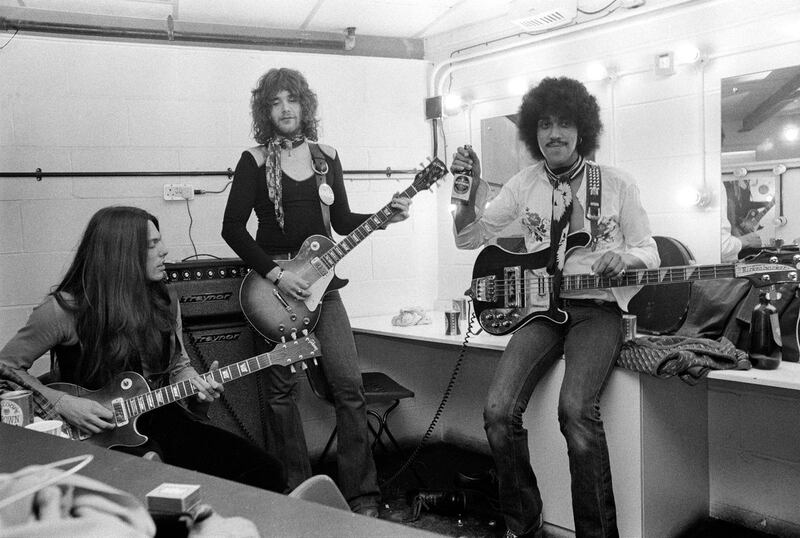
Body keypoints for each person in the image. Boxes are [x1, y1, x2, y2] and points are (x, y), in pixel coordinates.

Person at [450, 77, 660, 538]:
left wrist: (622, 257)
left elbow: (650, 251)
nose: (554, 134)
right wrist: (464, 194)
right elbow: (469, 237)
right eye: (545, 125)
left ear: (582, 130)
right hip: (540, 312)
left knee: (575, 412)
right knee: (498, 411)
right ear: (534, 133)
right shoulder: (523, 184)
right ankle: (523, 526)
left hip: (597, 311)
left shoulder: (618, 184)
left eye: (564, 124)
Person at [221, 67, 411, 517]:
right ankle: (296, 496)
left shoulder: (326, 157)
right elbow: (231, 228)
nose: (285, 108)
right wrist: (275, 274)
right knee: (280, 394)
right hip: (275, 290)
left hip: (324, 290)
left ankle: (362, 496)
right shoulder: (253, 159)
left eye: (292, 99)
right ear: (265, 111)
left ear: (305, 105)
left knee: (349, 387)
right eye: (275, 102)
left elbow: (342, 221)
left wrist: (387, 214)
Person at [0, 206, 287, 493]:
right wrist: (62, 404)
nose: (164, 251)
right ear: (121, 253)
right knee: (156, 479)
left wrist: (194, 384)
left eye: (160, 241)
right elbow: (6, 367)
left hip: (162, 418)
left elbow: (178, 365)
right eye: (152, 244)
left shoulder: (165, 299)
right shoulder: (65, 309)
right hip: (99, 435)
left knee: (266, 471)